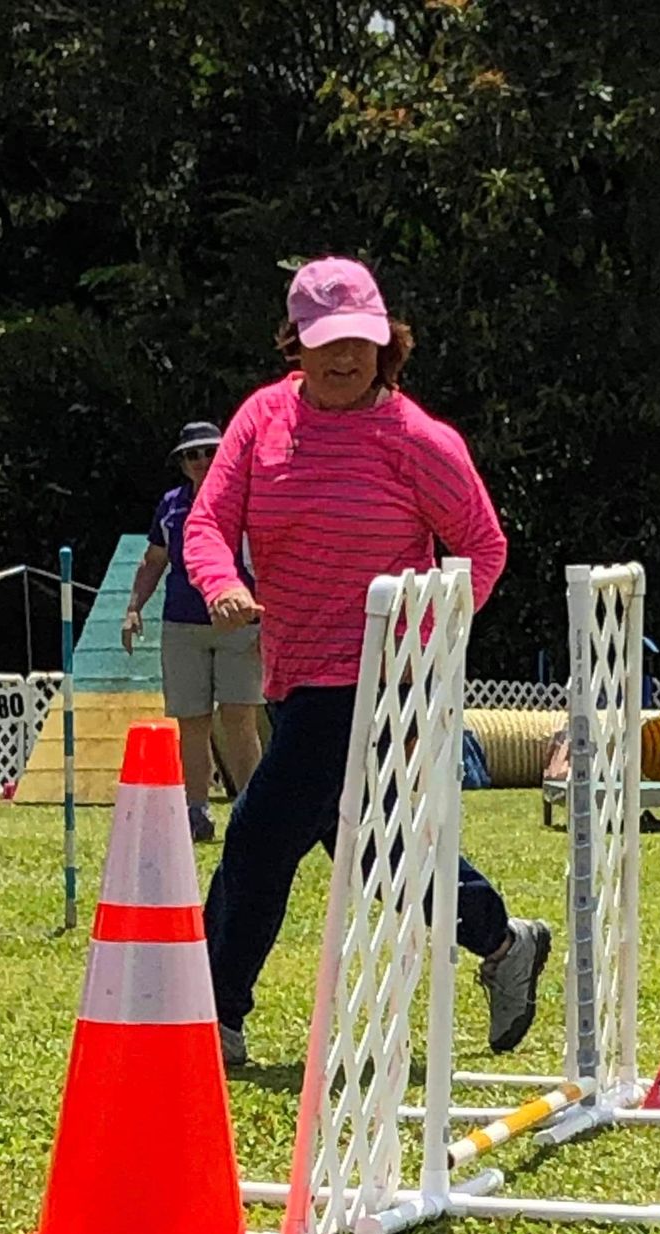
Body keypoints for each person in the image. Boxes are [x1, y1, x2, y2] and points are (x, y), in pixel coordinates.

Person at [182, 256, 551, 1067]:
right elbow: (207, 522)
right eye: (326, 342)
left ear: (387, 343)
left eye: (359, 341)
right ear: (296, 343)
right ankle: (502, 940)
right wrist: (221, 584)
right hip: (293, 669)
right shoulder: (261, 419)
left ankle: (213, 1015)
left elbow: (482, 548)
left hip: (377, 676)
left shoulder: (417, 440)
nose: (344, 357)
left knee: (259, 833)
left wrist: (424, 642)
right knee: (374, 849)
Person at [123, 421, 264, 841]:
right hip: (182, 623)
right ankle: (195, 811)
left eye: (209, 452)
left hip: (240, 621)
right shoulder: (171, 506)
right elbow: (154, 560)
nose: (201, 460)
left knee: (239, 717)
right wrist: (133, 608)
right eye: (192, 454)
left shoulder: (247, 499)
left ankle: (253, 811)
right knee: (191, 721)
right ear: (182, 463)